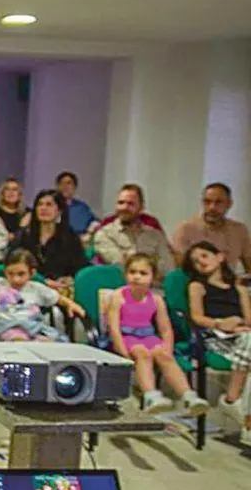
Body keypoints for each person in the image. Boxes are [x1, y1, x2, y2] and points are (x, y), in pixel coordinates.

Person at [106, 253, 208, 415]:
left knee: (164, 356)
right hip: (127, 337)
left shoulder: (156, 299)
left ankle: (188, 397)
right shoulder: (119, 295)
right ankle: (151, 396)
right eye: (132, 272)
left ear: (152, 277)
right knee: (142, 354)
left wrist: (167, 348)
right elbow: (113, 326)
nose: (137, 277)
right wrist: (121, 349)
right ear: (126, 274)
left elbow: (165, 328)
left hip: (149, 337)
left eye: (143, 273)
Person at [183, 242, 251, 441]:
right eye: (195, 261)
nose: (200, 262)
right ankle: (231, 398)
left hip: (240, 334)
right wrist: (221, 323)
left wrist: (239, 324)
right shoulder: (197, 286)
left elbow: (249, 318)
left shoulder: (238, 289)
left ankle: (244, 420)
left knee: (248, 339)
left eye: (204, 256)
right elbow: (196, 317)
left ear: (220, 257)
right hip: (215, 336)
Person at [0, 249, 84, 342]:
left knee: (49, 343)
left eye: (21, 274)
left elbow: (58, 298)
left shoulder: (36, 288)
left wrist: (71, 304)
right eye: (10, 274)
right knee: (19, 341)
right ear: (5, 271)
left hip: (34, 327)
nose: (15, 279)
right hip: (7, 328)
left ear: (32, 273)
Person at [10, 190, 88, 295]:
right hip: (27, 287)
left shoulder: (70, 237)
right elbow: (13, 265)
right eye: (40, 204)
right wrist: (43, 281)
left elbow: (80, 266)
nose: (43, 208)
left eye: (49, 205)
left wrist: (69, 278)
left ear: (59, 211)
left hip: (60, 289)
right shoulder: (24, 236)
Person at [93, 184, 175, 275]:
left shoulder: (156, 235)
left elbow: (168, 267)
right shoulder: (104, 234)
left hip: (156, 283)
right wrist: (153, 261)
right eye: (121, 203)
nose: (124, 207)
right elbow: (123, 266)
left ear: (141, 207)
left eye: (130, 204)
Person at [172, 183, 251, 273]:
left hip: (229, 280)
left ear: (229, 204)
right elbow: (180, 269)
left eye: (218, 202)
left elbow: (249, 266)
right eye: (207, 201)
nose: (212, 207)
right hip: (195, 280)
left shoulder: (239, 230)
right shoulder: (186, 228)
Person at [55, 171, 99, 237]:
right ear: (58, 187)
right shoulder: (52, 206)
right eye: (62, 183)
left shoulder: (82, 207)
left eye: (68, 183)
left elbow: (95, 223)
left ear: (75, 187)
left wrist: (89, 233)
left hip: (81, 239)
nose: (65, 186)